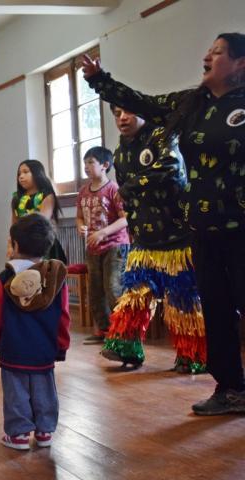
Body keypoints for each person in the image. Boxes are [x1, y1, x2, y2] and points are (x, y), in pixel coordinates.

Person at [82, 33, 245, 415]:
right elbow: (144, 103)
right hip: (203, 229)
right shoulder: (191, 104)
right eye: (209, 49)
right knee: (217, 310)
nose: (206, 55)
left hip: (241, 227)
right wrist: (100, 81)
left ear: (240, 64)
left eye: (217, 52)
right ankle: (231, 389)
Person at [100, 105, 205, 372]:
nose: (122, 117)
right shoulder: (121, 151)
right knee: (134, 294)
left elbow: (169, 167)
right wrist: (133, 220)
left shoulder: (162, 135)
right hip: (144, 240)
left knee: (183, 300)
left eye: (128, 111)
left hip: (176, 238)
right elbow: (127, 199)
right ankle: (126, 348)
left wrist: (131, 187)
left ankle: (192, 356)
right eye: (116, 113)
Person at [0, 213, 70, 450]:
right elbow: (64, 315)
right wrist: (61, 344)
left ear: (16, 246)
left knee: (16, 392)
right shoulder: (56, 281)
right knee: (45, 389)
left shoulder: (2, 280)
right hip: (45, 348)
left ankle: (19, 434)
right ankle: (44, 431)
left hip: (13, 347)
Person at [76, 147, 130, 345]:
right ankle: (104, 329)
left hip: (115, 246)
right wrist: (81, 227)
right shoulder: (83, 191)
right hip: (93, 248)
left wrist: (103, 233)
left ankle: (123, 332)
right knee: (95, 290)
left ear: (105, 165)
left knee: (113, 287)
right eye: (85, 163)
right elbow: (80, 216)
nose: (86, 167)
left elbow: (125, 219)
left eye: (91, 162)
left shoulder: (113, 189)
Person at [10, 159, 67, 262]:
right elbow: (13, 225)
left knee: (44, 275)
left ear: (37, 173)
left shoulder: (46, 196)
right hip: (22, 246)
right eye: (19, 174)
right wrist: (11, 245)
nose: (21, 176)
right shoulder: (17, 199)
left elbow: (41, 224)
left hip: (42, 245)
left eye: (26, 172)